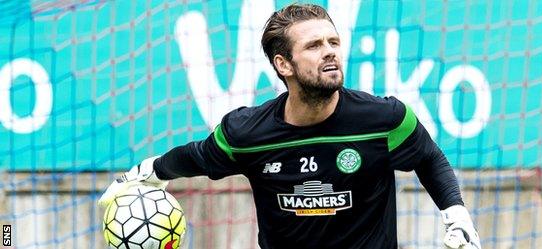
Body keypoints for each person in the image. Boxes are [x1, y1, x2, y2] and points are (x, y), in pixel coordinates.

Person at [99, 3, 481, 249]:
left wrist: (456, 214)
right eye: (314, 45)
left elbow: (428, 157)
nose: (330, 50)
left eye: (333, 41)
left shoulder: (383, 119)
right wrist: (145, 173)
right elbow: (198, 156)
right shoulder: (247, 133)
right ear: (284, 64)